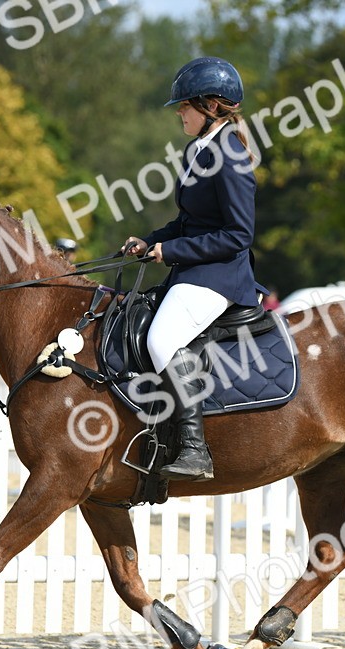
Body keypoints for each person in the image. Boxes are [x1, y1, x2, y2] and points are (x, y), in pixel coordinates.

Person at [123, 57, 259, 482]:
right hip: (196, 269)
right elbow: (188, 221)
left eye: (184, 105)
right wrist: (151, 240)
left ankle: (195, 450)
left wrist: (173, 251)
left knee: (161, 338)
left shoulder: (231, 155)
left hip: (221, 275)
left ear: (211, 106)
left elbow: (239, 234)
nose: (178, 112)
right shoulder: (198, 149)